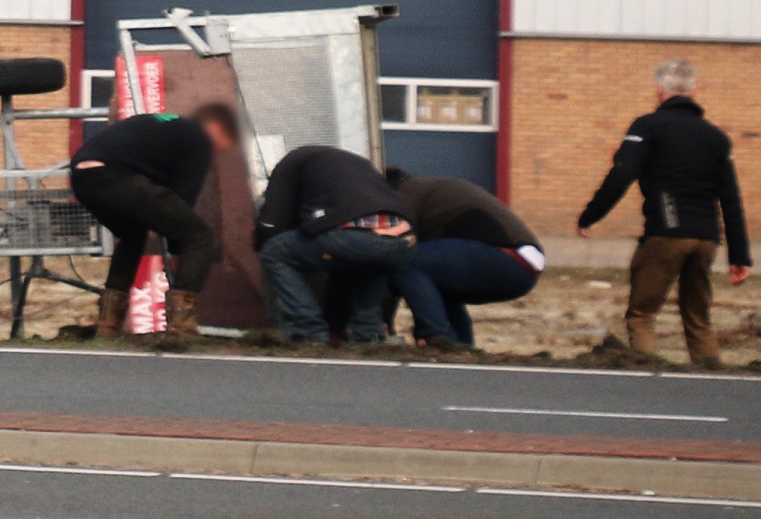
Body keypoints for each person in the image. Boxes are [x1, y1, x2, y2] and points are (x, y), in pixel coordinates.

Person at [575, 62, 750, 369]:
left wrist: (590, 216)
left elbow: (622, 174)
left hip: (666, 232)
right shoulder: (717, 139)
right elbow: (732, 199)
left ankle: (650, 383)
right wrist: (740, 256)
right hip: (706, 238)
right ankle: (710, 381)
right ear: (694, 92)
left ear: (659, 91)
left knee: (641, 314)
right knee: (698, 317)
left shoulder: (648, 126)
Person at [63, 99, 243, 341]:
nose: (221, 152)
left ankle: (108, 326)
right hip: (118, 176)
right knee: (200, 237)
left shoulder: (168, 126)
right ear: (217, 129)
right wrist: (182, 248)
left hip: (83, 178)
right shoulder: (200, 138)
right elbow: (183, 200)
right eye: (226, 143)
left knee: (132, 236)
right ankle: (182, 327)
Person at [356, 170, 548, 354]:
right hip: (523, 262)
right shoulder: (426, 191)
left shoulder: (404, 195)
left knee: (406, 260)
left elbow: (391, 258)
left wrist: (379, 324)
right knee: (435, 278)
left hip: (508, 256)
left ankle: (437, 338)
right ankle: (460, 348)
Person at [253, 140, 416, 347]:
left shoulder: (290, 163)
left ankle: (308, 330)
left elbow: (270, 223)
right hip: (402, 240)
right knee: (370, 263)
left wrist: (258, 240)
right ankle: (368, 335)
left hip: (351, 234)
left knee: (274, 251)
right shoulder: (360, 165)